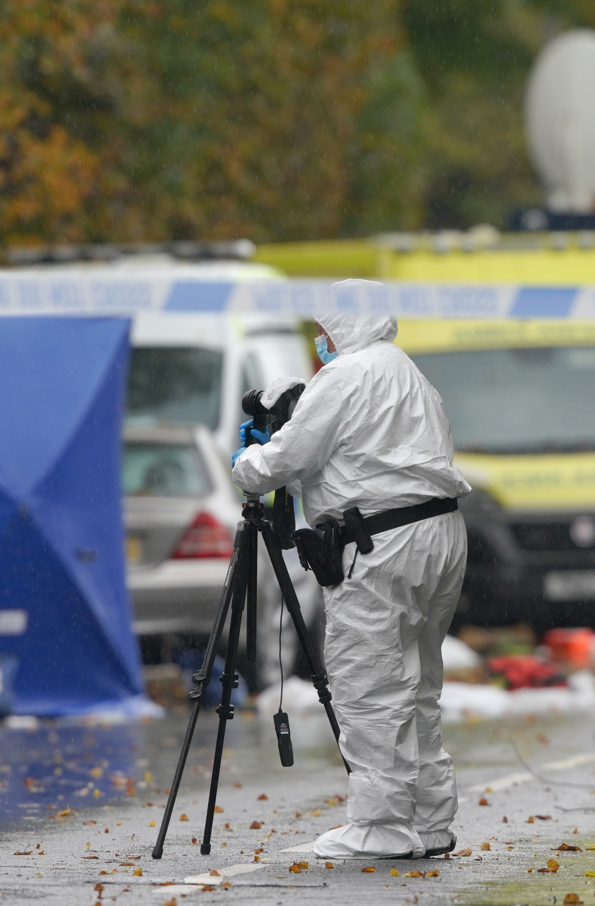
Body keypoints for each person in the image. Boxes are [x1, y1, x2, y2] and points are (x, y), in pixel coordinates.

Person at [230, 301, 471, 860]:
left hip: (380, 543)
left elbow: (285, 460)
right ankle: (431, 820)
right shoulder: (411, 375)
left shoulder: (344, 375)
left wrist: (248, 459)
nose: (321, 340)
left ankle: (381, 827)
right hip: (439, 536)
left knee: (369, 683)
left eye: (323, 330)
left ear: (342, 325)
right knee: (418, 683)